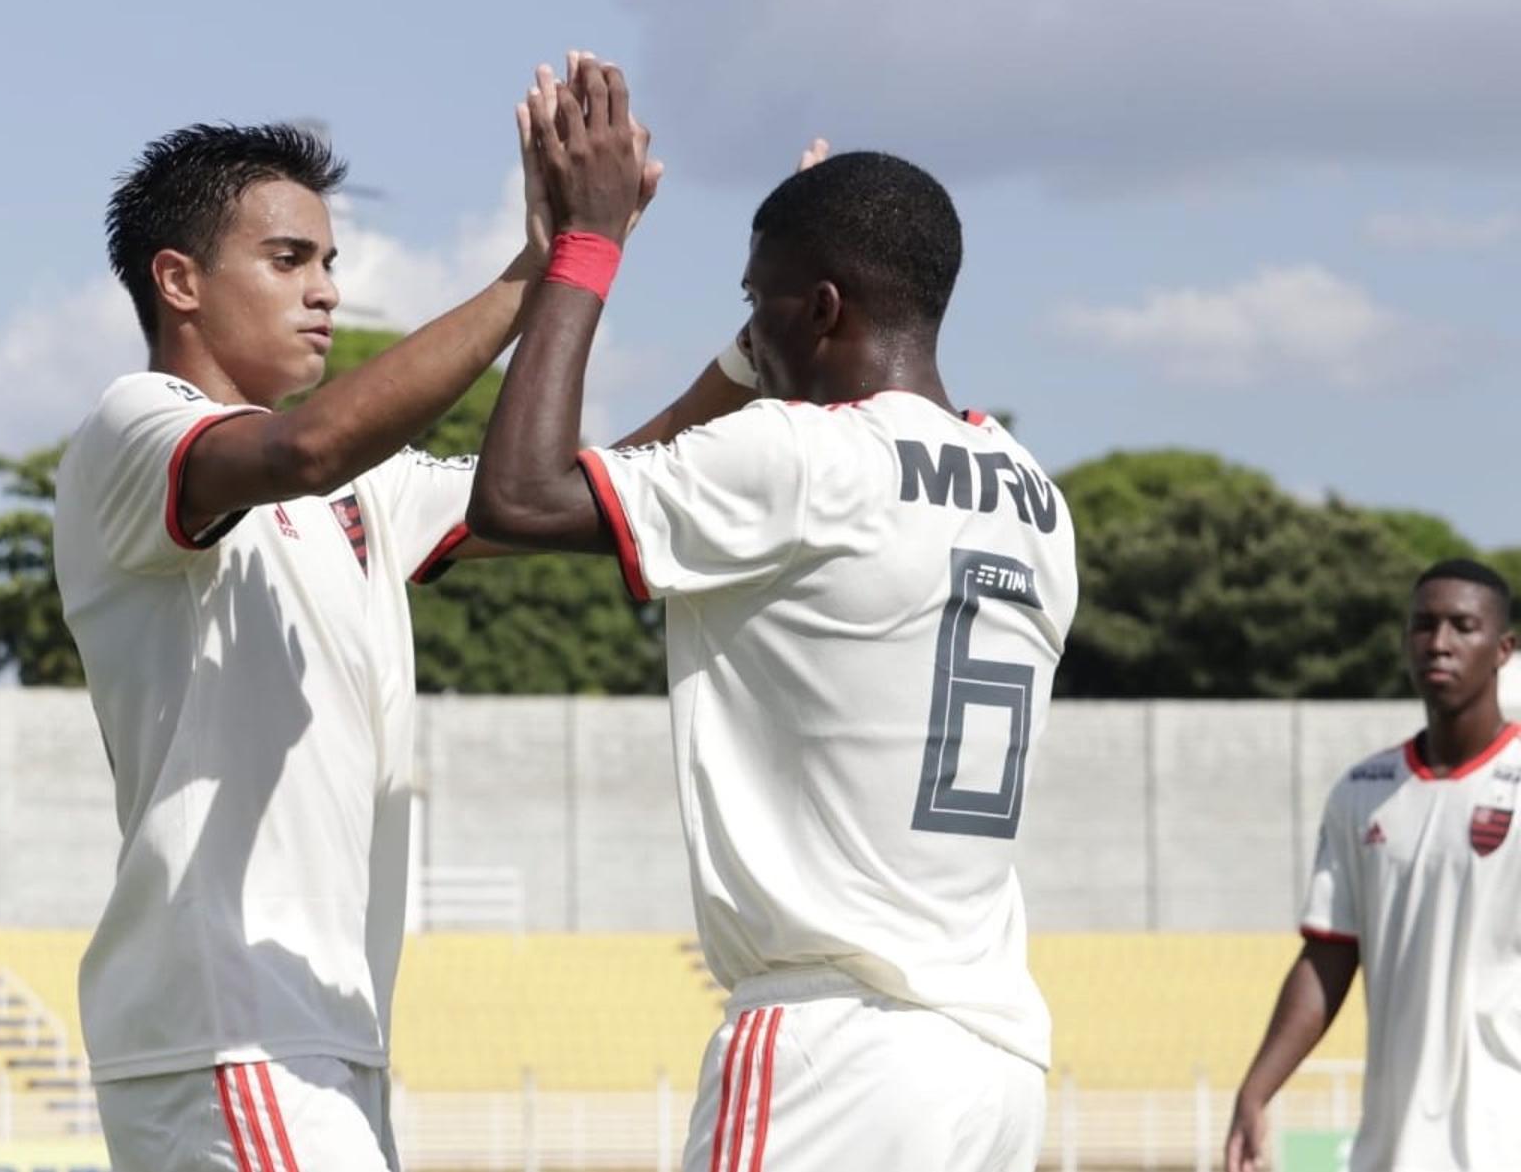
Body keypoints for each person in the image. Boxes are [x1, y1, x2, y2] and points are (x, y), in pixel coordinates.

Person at [54, 77, 754, 1170]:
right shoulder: (138, 427)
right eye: (289, 260)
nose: (325, 290)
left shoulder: (360, 493)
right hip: (231, 1030)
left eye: (329, 262)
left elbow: (592, 486)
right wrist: (554, 263)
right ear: (179, 280)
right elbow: (304, 450)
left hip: (313, 1037)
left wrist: (764, 354)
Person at [469, 58, 1079, 1171]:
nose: (750, 327)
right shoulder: (1038, 498)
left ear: (822, 307)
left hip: (833, 1052)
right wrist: (785, 306)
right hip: (993, 1059)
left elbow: (514, 496)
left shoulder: (800, 458)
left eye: (757, 301)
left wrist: (586, 244)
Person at [1226, 560, 1521, 1172]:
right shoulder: (1361, 792)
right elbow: (1329, 955)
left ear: (1503, 649)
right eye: (1423, 625)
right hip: (1391, 1145)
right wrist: (1257, 1088)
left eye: (1462, 626)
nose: (1438, 643)